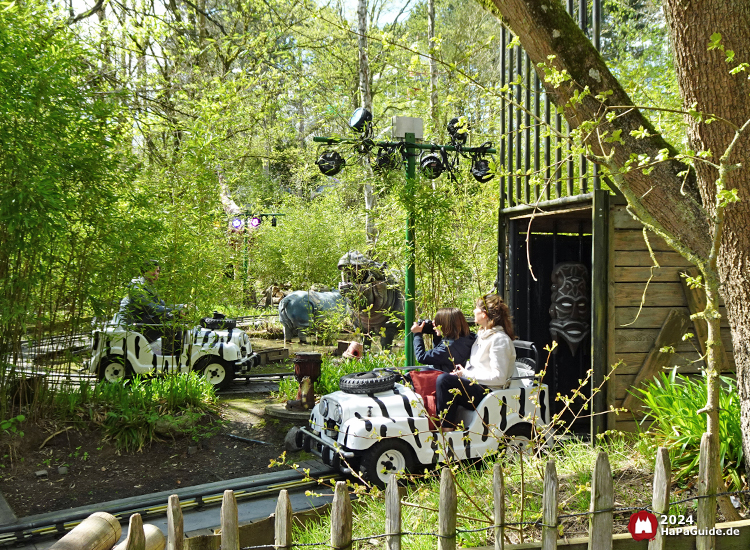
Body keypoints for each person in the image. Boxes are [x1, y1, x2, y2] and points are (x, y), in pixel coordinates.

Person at [435, 293, 516, 431]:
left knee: (445, 380)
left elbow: (499, 378)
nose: (473, 311)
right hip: (479, 386)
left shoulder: (499, 340)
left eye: (476, 308)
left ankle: (447, 431)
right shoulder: (482, 335)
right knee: (441, 375)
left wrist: (466, 375)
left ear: (484, 314)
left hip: (490, 392)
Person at [119, 260, 184, 353]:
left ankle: (177, 354)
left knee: (174, 317)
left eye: (157, 271)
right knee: (170, 318)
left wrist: (181, 307)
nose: (155, 273)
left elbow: (163, 306)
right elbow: (151, 309)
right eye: (152, 270)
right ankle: (169, 356)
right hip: (132, 329)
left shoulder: (150, 287)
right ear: (144, 271)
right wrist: (176, 310)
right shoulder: (137, 287)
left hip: (142, 325)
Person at [411, 308, 476, 372]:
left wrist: (417, 334)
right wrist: (437, 335)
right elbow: (439, 355)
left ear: (445, 324)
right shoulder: (468, 338)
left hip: (443, 378)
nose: (433, 322)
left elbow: (421, 357)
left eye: (437, 321)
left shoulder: (448, 347)